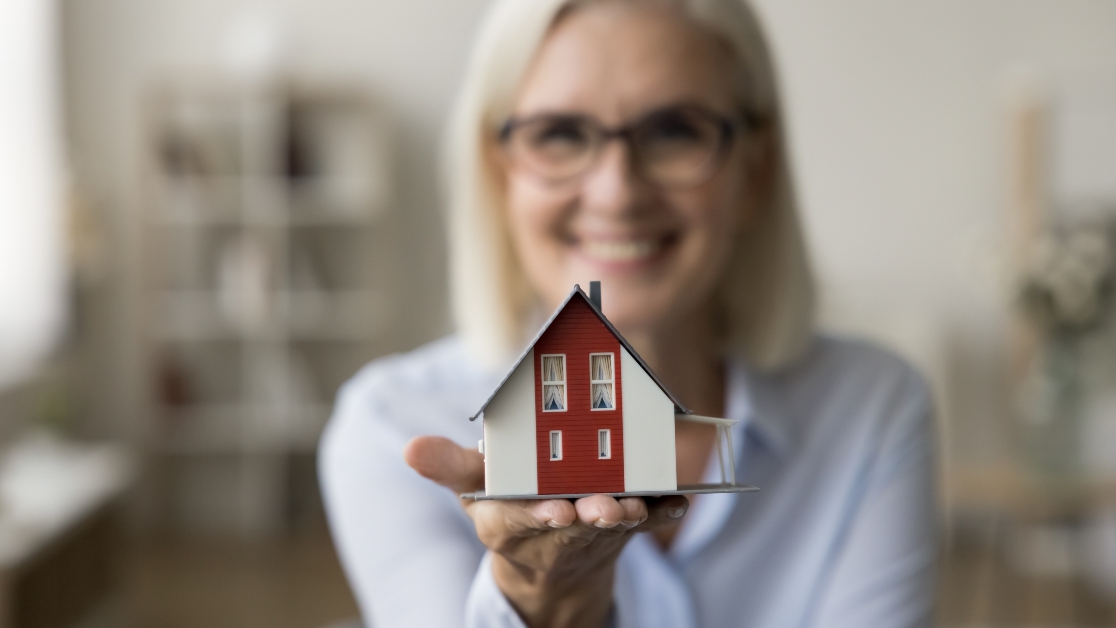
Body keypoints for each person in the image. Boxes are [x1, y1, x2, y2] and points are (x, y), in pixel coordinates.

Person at [319, 0, 937, 626]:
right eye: (560, 134)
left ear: (755, 168)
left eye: (674, 131)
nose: (617, 193)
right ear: (499, 171)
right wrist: (540, 606)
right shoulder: (389, 427)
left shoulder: (870, 412)